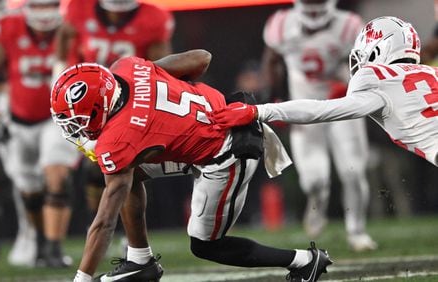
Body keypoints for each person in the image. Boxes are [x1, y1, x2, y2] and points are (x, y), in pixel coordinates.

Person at [50, 49, 333, 282]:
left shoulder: (119, 141)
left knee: (206, 246)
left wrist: (82, 278)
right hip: (219, 120)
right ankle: (140, 261)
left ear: (101, 106)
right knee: (128, 171)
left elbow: (104, 222)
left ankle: (304, 260)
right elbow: (203, 57)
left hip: (225, 153)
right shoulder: (126, 66)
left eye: (77, 121)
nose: (76, 129)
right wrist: (153, 79)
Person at [208, 17, 437, 166]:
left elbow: (321, 110)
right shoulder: (430, 72)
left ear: (378, 49)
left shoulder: (374, 78)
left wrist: (258, 111)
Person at [261, 0, 376, 251]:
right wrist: (274, 99)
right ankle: (317, 199)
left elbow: (367, 64)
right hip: (305, 107)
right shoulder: (281, 24)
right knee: (314, 180)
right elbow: (271, 62)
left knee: (354, 172)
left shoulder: (349, 25)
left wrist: (352, 83)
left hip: (343, 106)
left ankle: (357, 231)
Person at [0, 0, 79, 268]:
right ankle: (42, 242)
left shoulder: (70, 29)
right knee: (29, 190)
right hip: (18, 122)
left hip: (56, 118)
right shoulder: (11, 27)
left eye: (50, 5)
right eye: (39, 5)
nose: (45, 12)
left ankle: (55, 249)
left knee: (57, 175)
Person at [53, 0, 175, 219]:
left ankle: (129, 233)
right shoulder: (78, 8)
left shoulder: (153, 18)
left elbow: (161, 70)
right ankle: (97, 219)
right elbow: (64, 42)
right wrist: (62, 74)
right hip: (86, 102)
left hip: (130, 102)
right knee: (92, 170)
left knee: (132, 170)